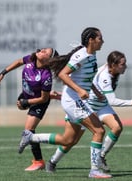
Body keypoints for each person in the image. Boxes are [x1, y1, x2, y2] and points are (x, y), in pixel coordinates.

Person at [18, 27, 112, 178]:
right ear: (91, 40)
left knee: (68, 140)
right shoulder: (81, 55)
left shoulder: (91, 55)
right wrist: (80, 90)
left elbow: (86, 78)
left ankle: (31, 137)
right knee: (99, 131)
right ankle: (94, 170)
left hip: (76, 100)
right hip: (73, 100)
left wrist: (96, 91)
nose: (103, 41)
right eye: (100, 38)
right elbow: (63, 74)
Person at [45, 50, 132, 173]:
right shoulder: (104, 76)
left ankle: (100, 156)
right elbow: (112, 100)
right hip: (88, 107)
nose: (125, 66)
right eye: (123, 64)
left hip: (101, 106)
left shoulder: (113, 72)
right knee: (71, 140)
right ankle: (52, 162)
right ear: (113, 65)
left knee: (117, 127)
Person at [0, 48, 60, 171]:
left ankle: (38, 161)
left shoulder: (46, 76)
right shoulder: (31, 59)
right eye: (43, 49)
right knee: (27, 127)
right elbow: (19, 61)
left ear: (48, 60)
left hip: (39, 102)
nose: (42, 50)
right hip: (27, 95)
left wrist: (27, 102)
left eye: (46, 52)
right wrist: (4, 72)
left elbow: (43, 98)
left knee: (28, 131)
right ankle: (54, 94)